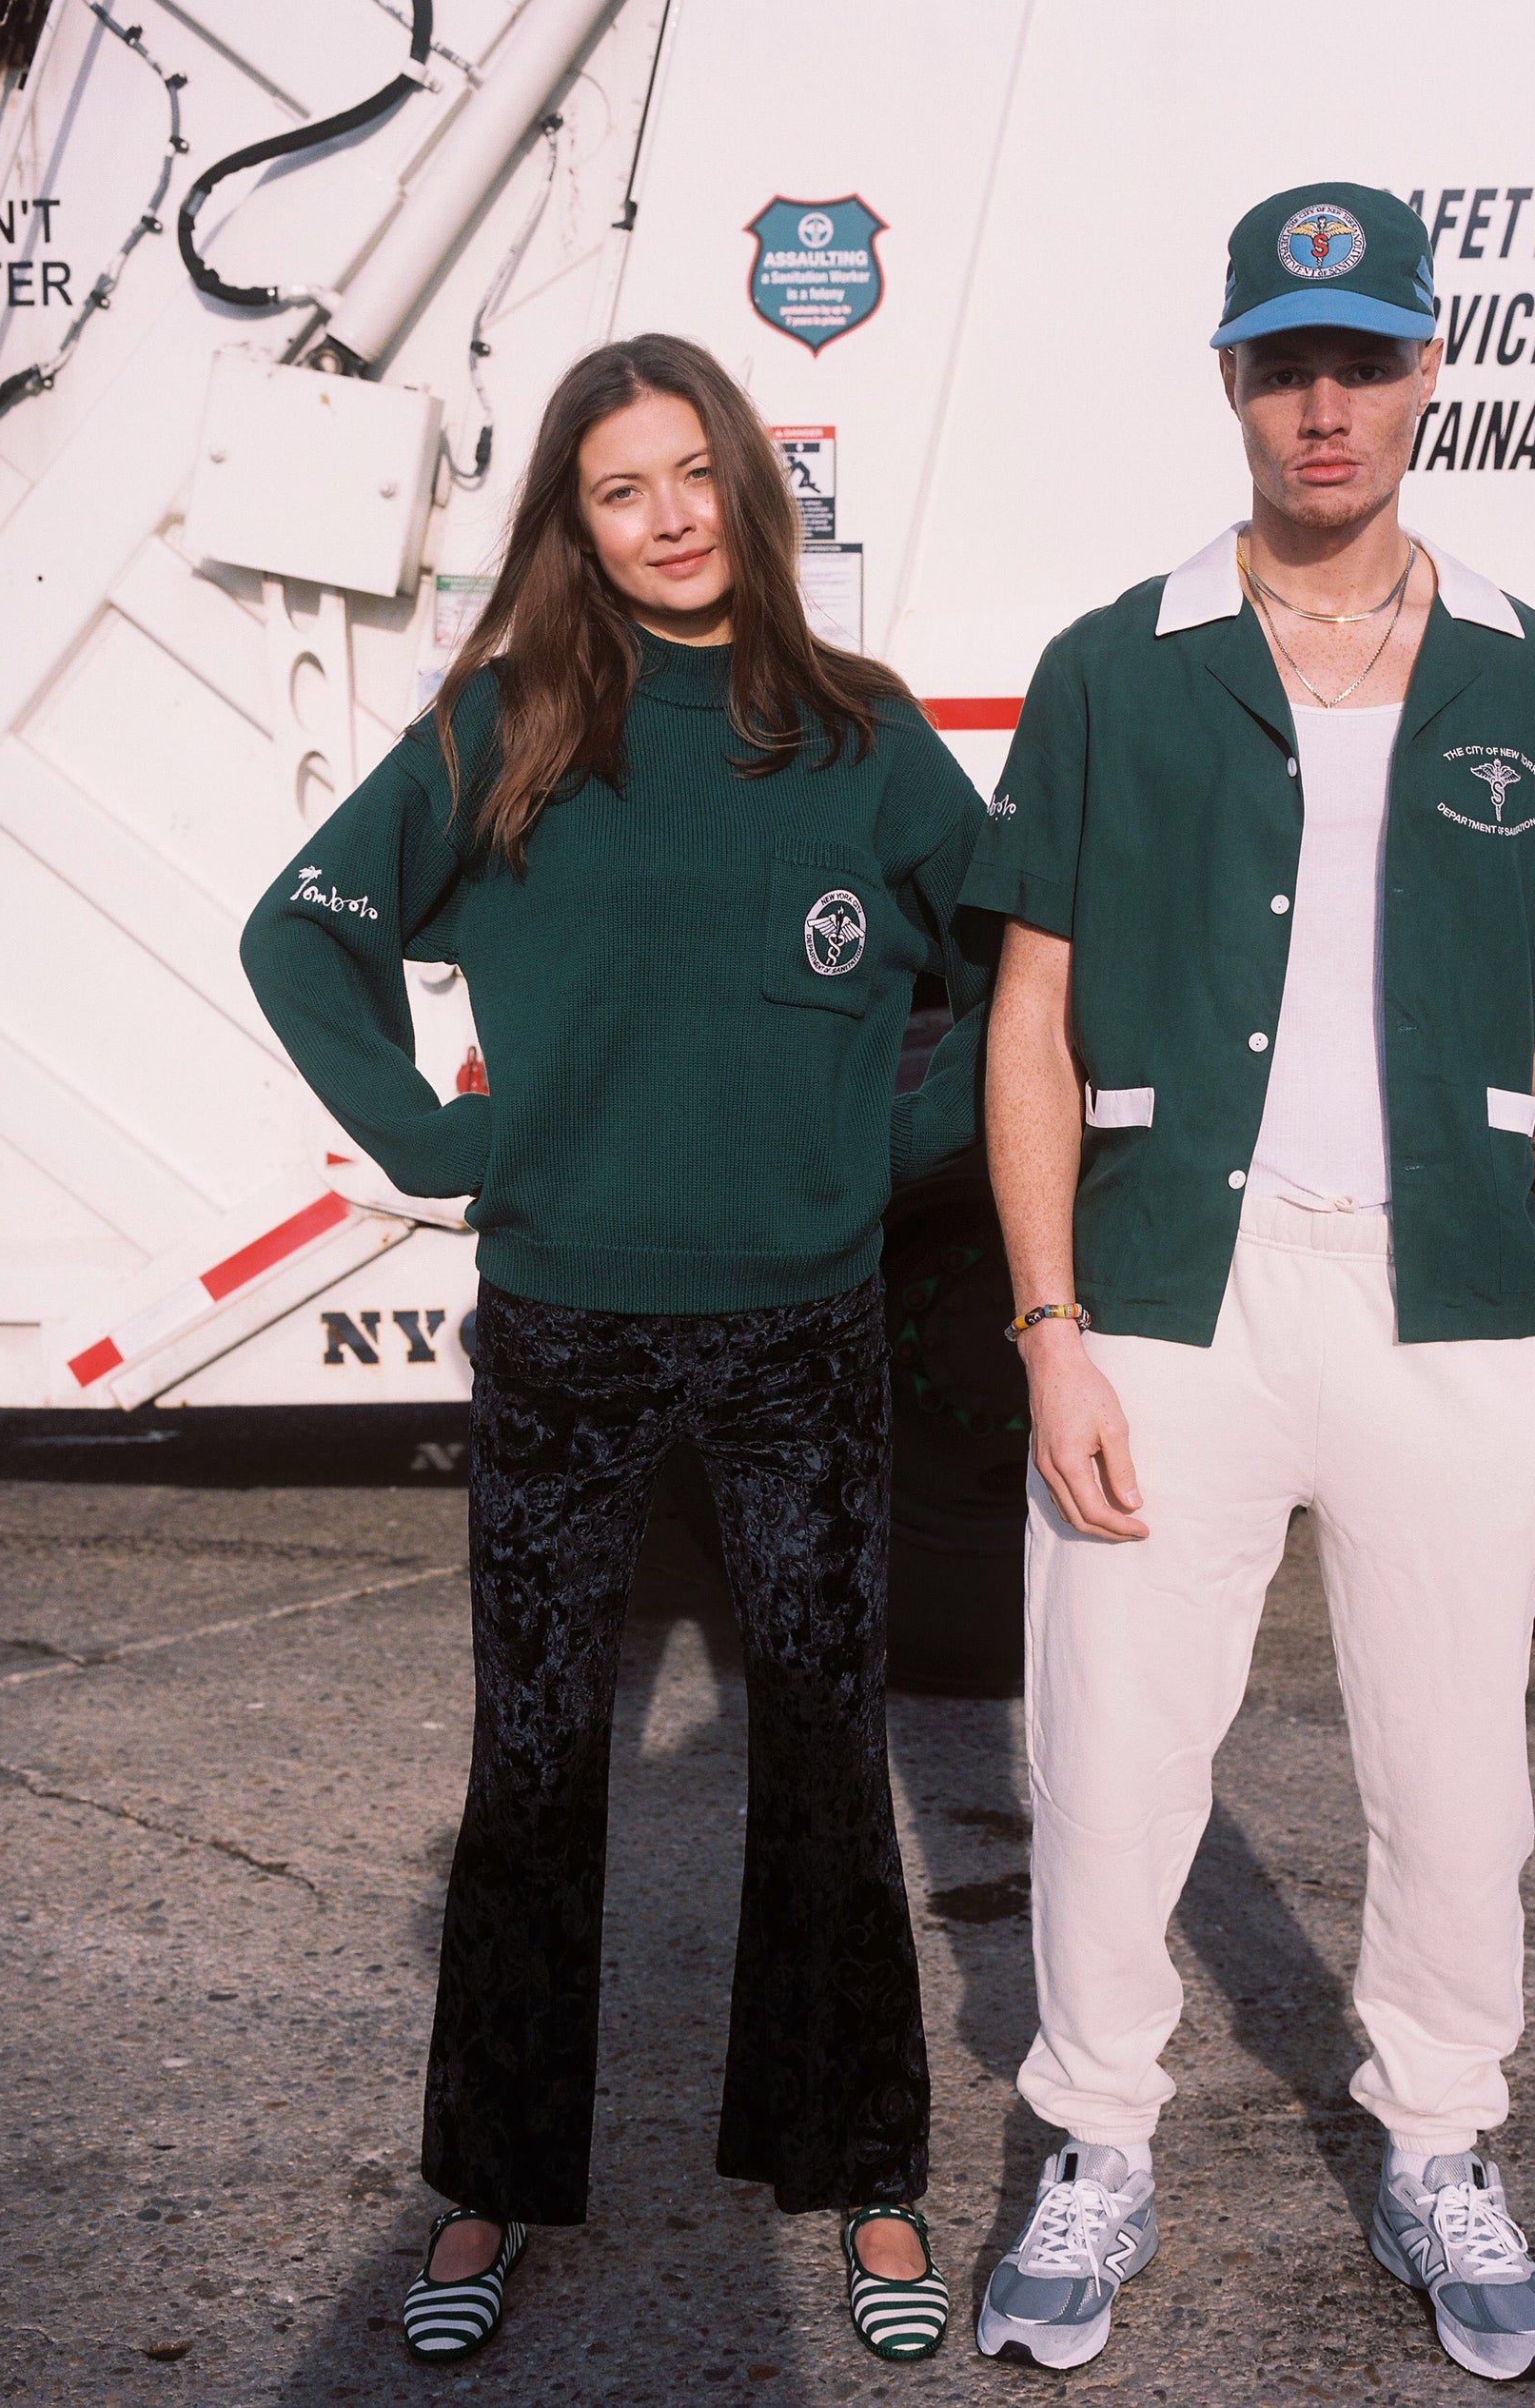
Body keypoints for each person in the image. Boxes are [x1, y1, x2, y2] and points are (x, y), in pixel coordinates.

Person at [240, 334, 995, 2368]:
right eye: (618, 488)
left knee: (823, 1752)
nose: (667, 517)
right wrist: (427, 1136)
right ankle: (487, 2182)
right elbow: (299, 928)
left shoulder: (864, 737)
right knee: (535, 1758)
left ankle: (865, 2169)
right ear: (574, 522)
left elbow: (1025, 966)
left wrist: (883, 1151)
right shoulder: (507, 724)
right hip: (566, 1327)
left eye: (691, 472)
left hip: (799, 1329)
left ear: (746, 480)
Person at [962, 184, 1535, 2381]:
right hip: (1176, 1302)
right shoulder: (1112, 663)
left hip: (1460, 1312)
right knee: (1107, 1760)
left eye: (1361, 358)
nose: (1323, 402)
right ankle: (1094, 2137)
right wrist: (1050, 1328)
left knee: (1456, 1785)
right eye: (1284, 362)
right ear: (1231, 382)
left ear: (1428, 369)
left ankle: (1440, 2141)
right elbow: (1028, 1015)